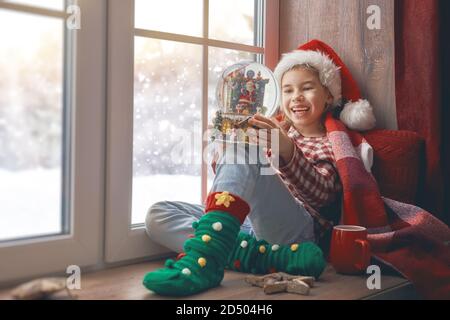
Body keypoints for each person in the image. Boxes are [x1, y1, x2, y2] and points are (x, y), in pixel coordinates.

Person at [141, 39, 377, 296]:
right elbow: (236, 184)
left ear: (329, 95)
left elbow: (324, 196)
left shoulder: (332, 142)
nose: (296, 96)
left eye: (307, 88)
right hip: (252, 226)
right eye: (287, 90)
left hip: (299, 230)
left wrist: (287, 150)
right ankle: (265, 257)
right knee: (157, 215)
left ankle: (205, 261)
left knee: (246, 149)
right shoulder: (272, 132)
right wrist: (221, 144)